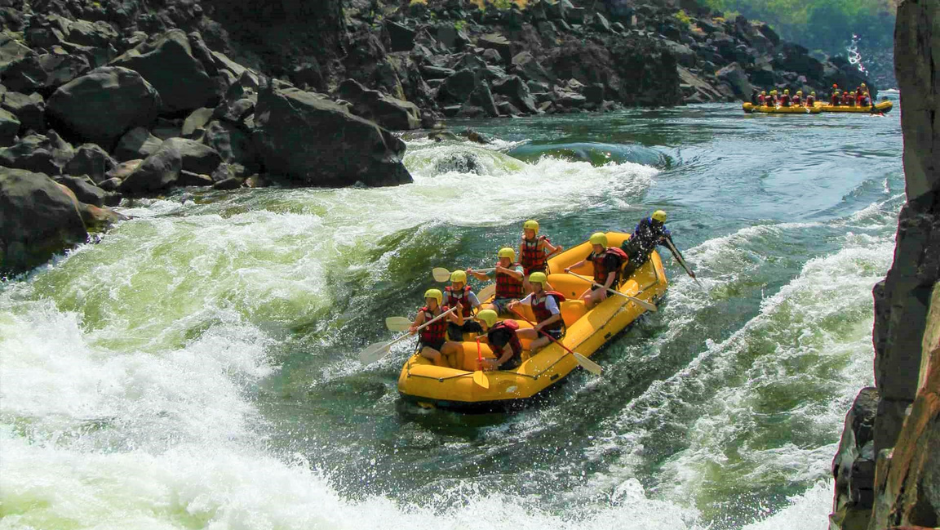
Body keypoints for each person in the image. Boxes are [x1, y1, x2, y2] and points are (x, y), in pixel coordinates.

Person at [564, 232, 627, 310]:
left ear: (602, 244)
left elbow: (612, 275)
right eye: (593, 245)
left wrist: (604, 289)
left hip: (609, 287)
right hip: (598, 284)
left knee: (587, 299)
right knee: (579, 300)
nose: (594, 247)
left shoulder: (610, 257)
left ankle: (595, 313)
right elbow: (583, 263)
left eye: (596, 245)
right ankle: (591, 309)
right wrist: (570, 268)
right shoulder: (595, 253)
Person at [508, 272, 566, 354]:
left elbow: (556, 316)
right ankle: (517, 353)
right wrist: (512, 304)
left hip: (554, 333)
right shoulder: (532, 296)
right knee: (516, 334)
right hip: (542, 330)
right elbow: (520, 303)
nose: (533, 287)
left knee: (532, 345)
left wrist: (541, 324)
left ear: (542, 285)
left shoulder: (549, 299)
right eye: (532, 284)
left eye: (537, 285)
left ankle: (534, 360)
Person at [410, 288, 464, 367]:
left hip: (441, 343)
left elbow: (460, 323)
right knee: (437, 355)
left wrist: (459, 311)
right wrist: (413, 330)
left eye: (431, 301)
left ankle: (460, 369)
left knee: (459, 347)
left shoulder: (445, 311)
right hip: (426, 346)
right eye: (427, 301)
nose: (428, 303)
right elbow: (412, 329)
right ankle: (440, 376)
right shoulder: (422, 314)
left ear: (438, 300)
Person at [469, 247, 524, 316]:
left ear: (511, 259)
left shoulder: (517, 267)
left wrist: (503, 270)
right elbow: (484, 277)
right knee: (485, 314)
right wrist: (474, 273)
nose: (502, 261)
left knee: (515, 307)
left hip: (514, 299)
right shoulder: (498, 268)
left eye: (505, 259)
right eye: (501, 259)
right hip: (499, 301)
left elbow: (519, 276)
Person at [620, 210, 672, 279]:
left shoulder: (664, 231)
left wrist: (666, 236)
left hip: (642, 254)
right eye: (654, 220)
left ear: (662, 223)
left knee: (632, 265)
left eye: (657, 222)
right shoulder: (645, 222)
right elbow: (647, 235)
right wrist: (659, 234)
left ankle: (623, 279)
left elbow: (671, 245)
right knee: (616, 257)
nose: (654, 222)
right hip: (630, 246)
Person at [519, 219, 561, 290]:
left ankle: (551, 292)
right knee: (524, 282)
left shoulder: (542, 242)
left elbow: (554, 250)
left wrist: (558, 249)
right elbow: (520, 258)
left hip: (539, 269)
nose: (528, 234)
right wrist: (519, 268)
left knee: (536, 279)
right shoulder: (523, 244)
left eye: (530, 232)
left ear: (535, 232)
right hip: (527, 269)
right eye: (526, 232)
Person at [444, 270, 484, 341]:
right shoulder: (446, 294)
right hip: (453, 323)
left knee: (482, 327)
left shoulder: (469, 294)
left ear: (463, 282)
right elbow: (440, 308)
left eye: (458, 283)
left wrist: (478, 314)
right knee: (458, 339)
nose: (455, 285)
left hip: (467, 322)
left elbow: (480, 307)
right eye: (454, 283)